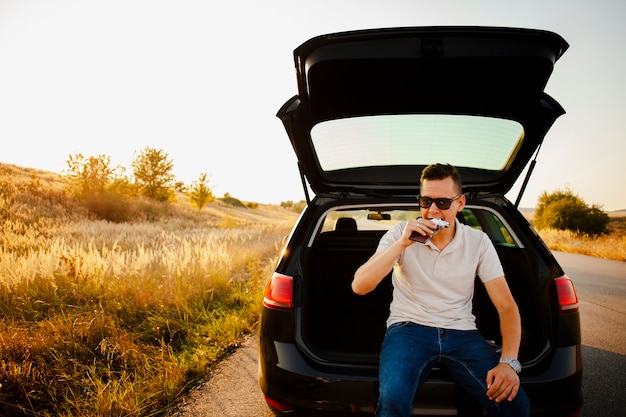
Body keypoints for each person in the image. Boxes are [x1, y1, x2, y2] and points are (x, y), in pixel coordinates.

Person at [352, 163, 530, 417]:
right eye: (425, 201)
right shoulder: (400, 234)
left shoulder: (478, 241)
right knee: (392, 400)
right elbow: (359, 286)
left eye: (443, 203)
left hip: (462, 332)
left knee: (514, 403)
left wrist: (509, 363)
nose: (432, 210)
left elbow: (506, 306)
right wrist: (403, 243)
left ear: (460, 203)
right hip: (408, 329)